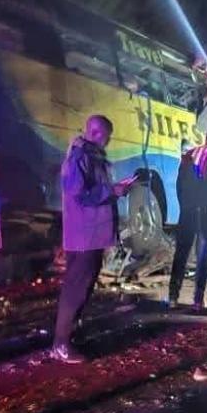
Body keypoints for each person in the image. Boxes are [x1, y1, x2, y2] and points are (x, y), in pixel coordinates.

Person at [52, 115, 134, 364]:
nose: (108, 141)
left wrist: (114, 190)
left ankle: (68, 338)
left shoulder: (91, 156)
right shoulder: (80, 157)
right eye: (107, 136)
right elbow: (79, 195)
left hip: (92, 235)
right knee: (76, 289)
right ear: (97, 133)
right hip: (83, 236)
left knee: (84, 286)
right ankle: (60, 344)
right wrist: (112, 190)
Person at [169, 126, 207, 311]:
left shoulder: (189, 155)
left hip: (188, 211)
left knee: (181, 253)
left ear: (206, 138)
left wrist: (184, 205)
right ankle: (198, 299)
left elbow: (179, 183)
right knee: (203, 256)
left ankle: (173, 296)